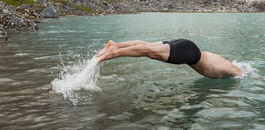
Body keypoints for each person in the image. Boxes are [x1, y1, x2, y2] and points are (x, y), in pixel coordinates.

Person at [96, 39, 243, 79]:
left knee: (148, 47)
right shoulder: (234, 70)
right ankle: (112, 53)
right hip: (190, 54)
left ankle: (115, 45)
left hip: (189, 46)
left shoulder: (225, 62)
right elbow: (239, 73)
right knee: (150, 52)